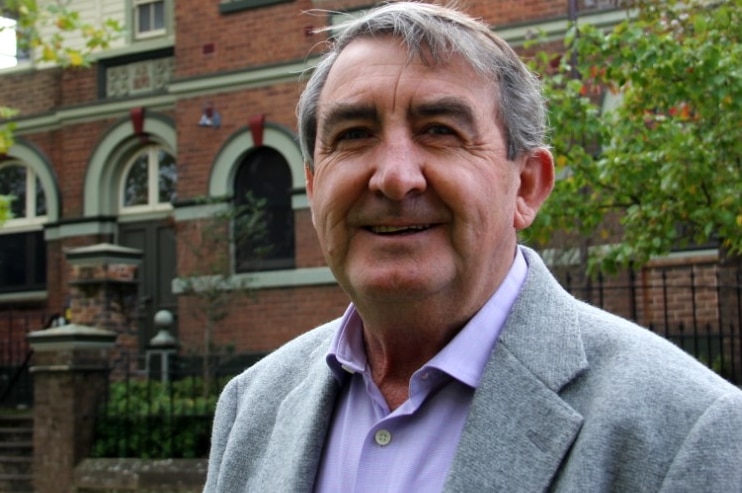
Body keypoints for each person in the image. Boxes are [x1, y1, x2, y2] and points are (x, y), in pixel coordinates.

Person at [203, 3, 742, 491]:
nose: (394, 177)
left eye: (440, 130)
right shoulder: (252, 406)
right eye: (353, 135)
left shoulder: (688, 430)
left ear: (526, 186)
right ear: (315, 186)